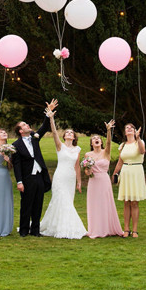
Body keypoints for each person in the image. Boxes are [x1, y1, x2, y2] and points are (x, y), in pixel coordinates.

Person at [39, 101, 87, 239]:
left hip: (70, 178)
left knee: (68, 201)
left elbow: (77, 166)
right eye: (67, 132)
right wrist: (51, 118)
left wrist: (79, 182)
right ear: (64, 136)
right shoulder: (60, 146)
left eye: (72, 133)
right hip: (60, 177)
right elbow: (54, 132)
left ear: (74, 137)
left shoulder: (77, 149)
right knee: (61, 200)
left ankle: (62, 225)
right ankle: (63, 228)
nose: (69, 134)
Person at [11, 104, 53, 237]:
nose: (27, 125)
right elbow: (16, 165)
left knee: (38, 203)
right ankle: (24, 230)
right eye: (24, 125)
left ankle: (35, 230)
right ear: (20, 131)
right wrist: (19, 181)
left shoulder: (35, 137)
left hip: (39, 176)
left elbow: (44, 128)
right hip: (27, 178)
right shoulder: (15, 145)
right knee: (26, 205)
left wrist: (48, 113)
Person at [84, 120, 123, 238]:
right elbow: (86, 171)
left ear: (101, 142)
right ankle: (95, 229)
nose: (96, 139)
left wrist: (108, 130)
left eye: (98, 138)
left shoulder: (106, 152)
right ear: (91, 143)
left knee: (105, 203)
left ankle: (107, 228)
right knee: (94, 204)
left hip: (104, 181)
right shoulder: (88, 155)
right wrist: (88, 171)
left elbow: (109, 143)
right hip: (93, 181)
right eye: (94, 138)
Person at [112, 123, 146, 238]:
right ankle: (126, 229)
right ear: (125, 132)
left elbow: (142, 151)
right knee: (126, 201)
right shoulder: (122, 145)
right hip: (126, 171)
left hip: (136, 171)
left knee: (134, 202)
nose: (130, 129)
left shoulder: (139, 142)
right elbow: (120, 161)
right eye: (127, 127)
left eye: (132, 127)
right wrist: (115, 174)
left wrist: (138, 137)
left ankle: (135, 230)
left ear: (135, 130)